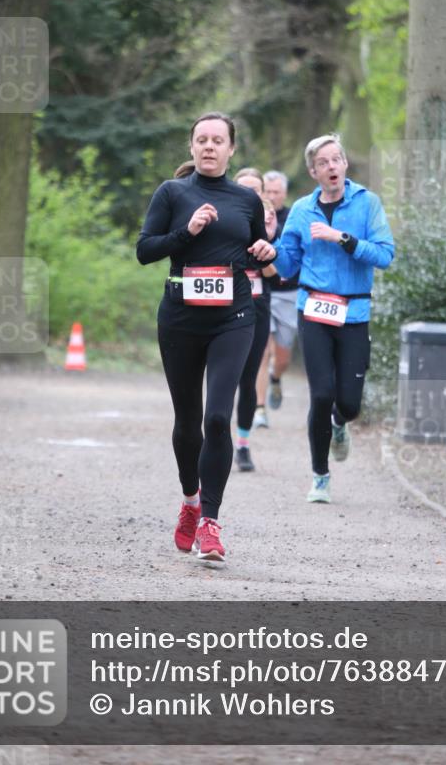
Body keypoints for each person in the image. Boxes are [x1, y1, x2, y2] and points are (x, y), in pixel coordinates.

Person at [136, 113, 270, 564]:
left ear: (232, 149)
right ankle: (190, 502)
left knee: (217, 418)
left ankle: (211, 522)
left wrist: (266, 251)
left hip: (233, 317)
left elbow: (258, 250)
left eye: (218, 140)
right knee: (188, 421)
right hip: (180, 320)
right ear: (192, 148)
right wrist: (186, 232)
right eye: (201, 140)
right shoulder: (172, 193)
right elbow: (144, 250)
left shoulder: (246, 199)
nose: (209, 146)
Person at [251, 133, 394, 504]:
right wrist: (270, 249)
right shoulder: (301, 209)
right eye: (323, 163)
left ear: (345, 164)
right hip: (312, 309)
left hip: (354, 311)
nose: (332, 166)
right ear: (313, 171)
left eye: (337, 160)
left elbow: (384, 255)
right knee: (321, 393)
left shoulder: (367, 204)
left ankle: (339, 423)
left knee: (348, 403)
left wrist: (341, 238)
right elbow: (288, 264)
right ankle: (320, 475)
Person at [232, 168, 277, 472]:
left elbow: (279, 274)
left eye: (255, 189)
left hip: (257, 303)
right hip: (224, 302)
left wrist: (266, 256)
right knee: (222, 377)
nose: (249, 193)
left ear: (262, 192)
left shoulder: (269, 219)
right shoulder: (223, 215)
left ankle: (243, 444)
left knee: (248, 378)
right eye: (243, 188)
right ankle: (215, 438)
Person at [254, 170, 299, 426]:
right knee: (262, 352)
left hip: (288, 291)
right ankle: (260, 408)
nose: (271, 196)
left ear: (284, 193)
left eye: (276, 192)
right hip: (261, 290)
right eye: (267, 191)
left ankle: (275, 378)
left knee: (281, 358)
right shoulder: (254, 213)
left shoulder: (294, 216)